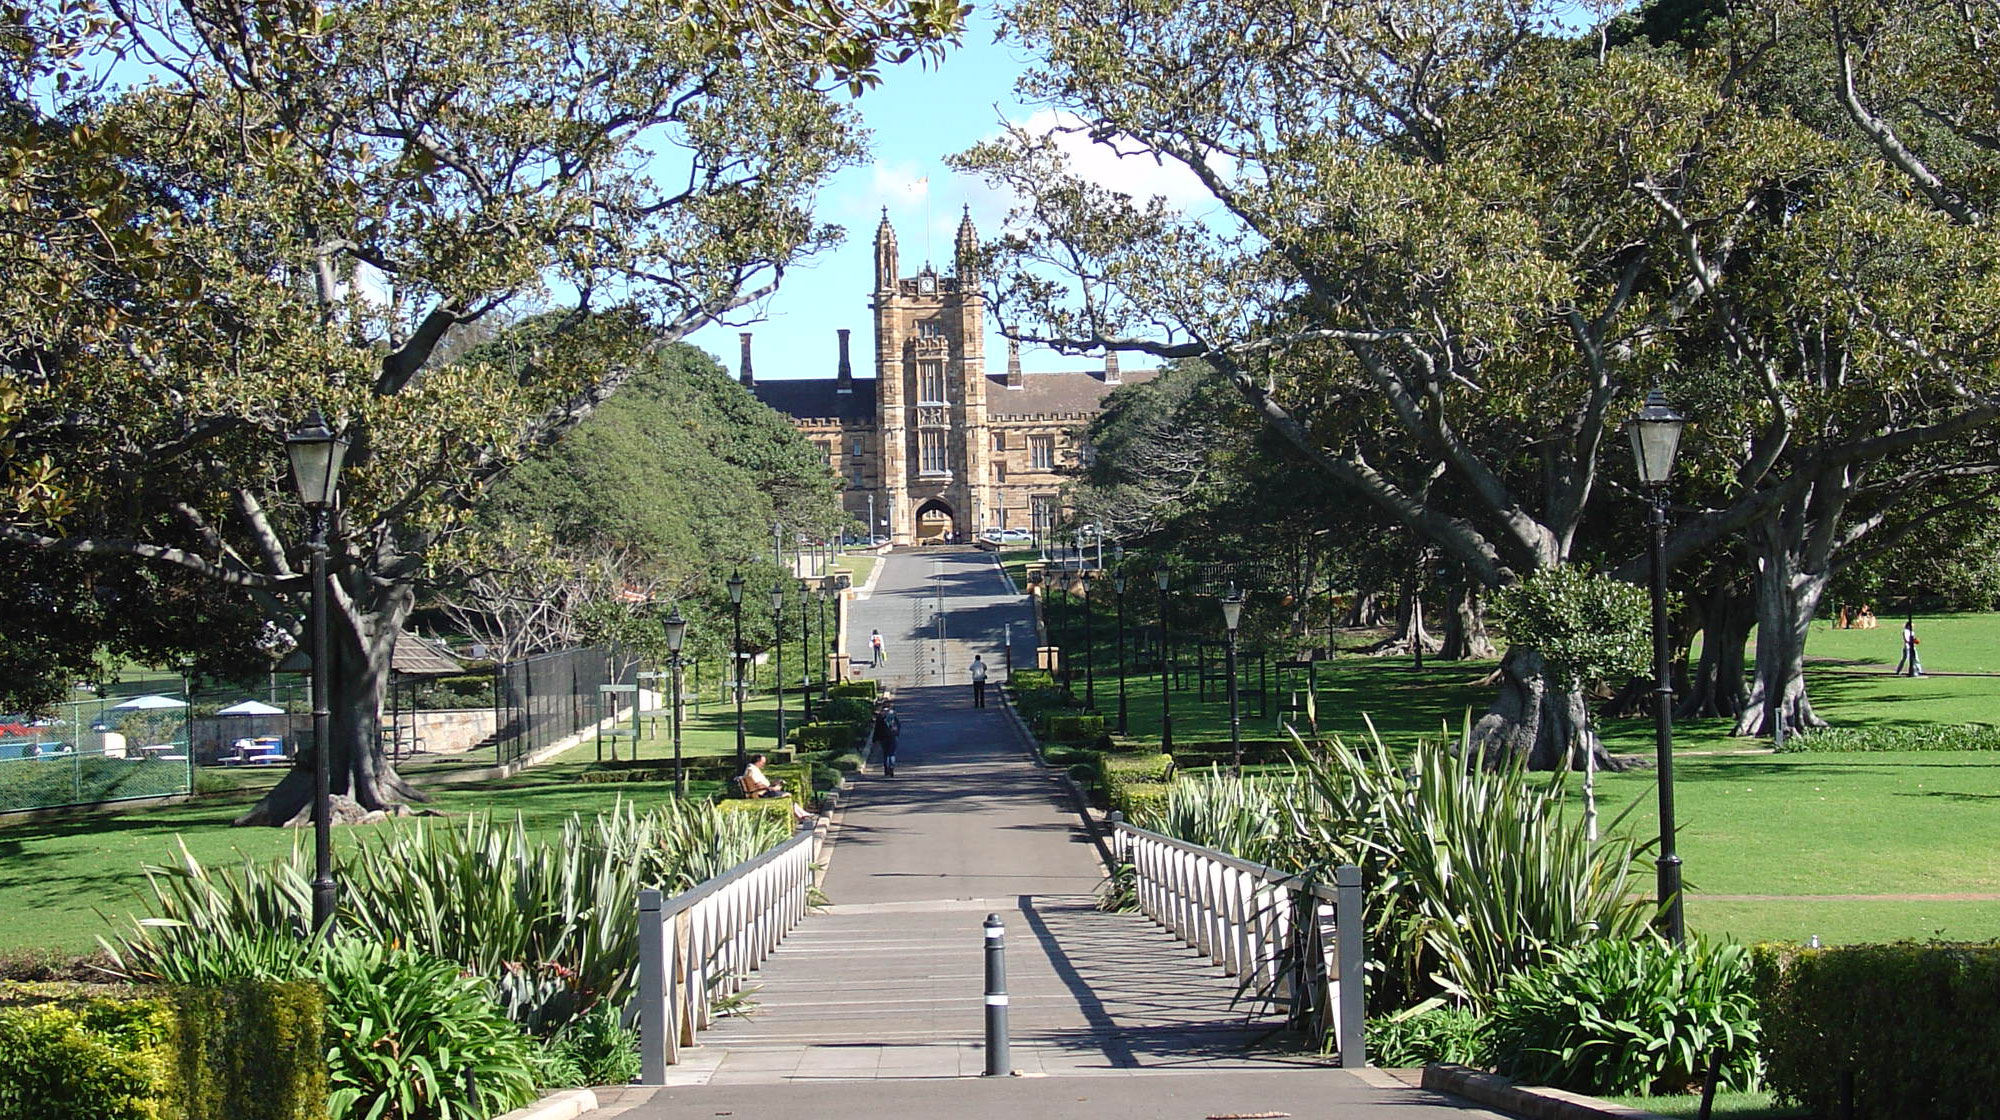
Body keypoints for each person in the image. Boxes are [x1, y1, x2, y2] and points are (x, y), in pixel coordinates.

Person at [740, 754, 810, 822]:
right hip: (763, 793)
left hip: (765, 791)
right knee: (787, 795)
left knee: (788, 795)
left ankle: (802, 815)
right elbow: (758, 785)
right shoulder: (752, 770)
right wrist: (773, 788)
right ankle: (802, 816)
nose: (763, 764)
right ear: (757, 762)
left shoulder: (753, 768)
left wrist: (774, 783)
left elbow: (760, 784)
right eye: (763, 762)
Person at [873, 702, 900, 776]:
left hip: (883, 737)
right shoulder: (893, 714)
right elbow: (898, 725)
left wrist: (875, 739)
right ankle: (891, 767)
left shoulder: (881, 715)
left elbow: (877, 728)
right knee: (892, 753)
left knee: (886, 754)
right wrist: (896, 733)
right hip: (893, 736)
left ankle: (886, 769)